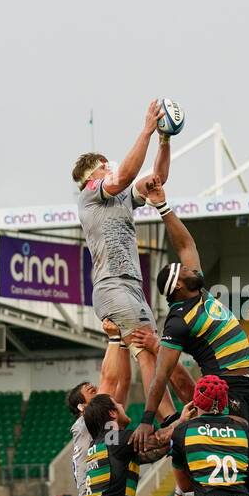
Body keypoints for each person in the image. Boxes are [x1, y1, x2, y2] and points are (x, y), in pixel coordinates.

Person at [130, 180, 249, 451]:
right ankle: (166, 441)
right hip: (227, 389)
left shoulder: (201, 294)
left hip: (248, 388)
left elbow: (186, 245)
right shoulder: (178, 319)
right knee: (234, 454)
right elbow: (162, 376)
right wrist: (146, 420)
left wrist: (162, 206)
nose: (191, 270)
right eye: (184, 271)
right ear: (178, 287)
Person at [72, 100, 190, 415]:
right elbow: (124, 175)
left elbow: (157, 179)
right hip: (112, 285)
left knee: (152, 349)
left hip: (133, 286)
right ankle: (165, 417)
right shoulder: (91, 193)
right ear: (90, 177)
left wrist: (164, 140)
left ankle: (168, 415)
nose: (109, 167)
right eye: (103, 165)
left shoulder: (119, 195)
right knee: (146, 346)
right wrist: (147, 130)